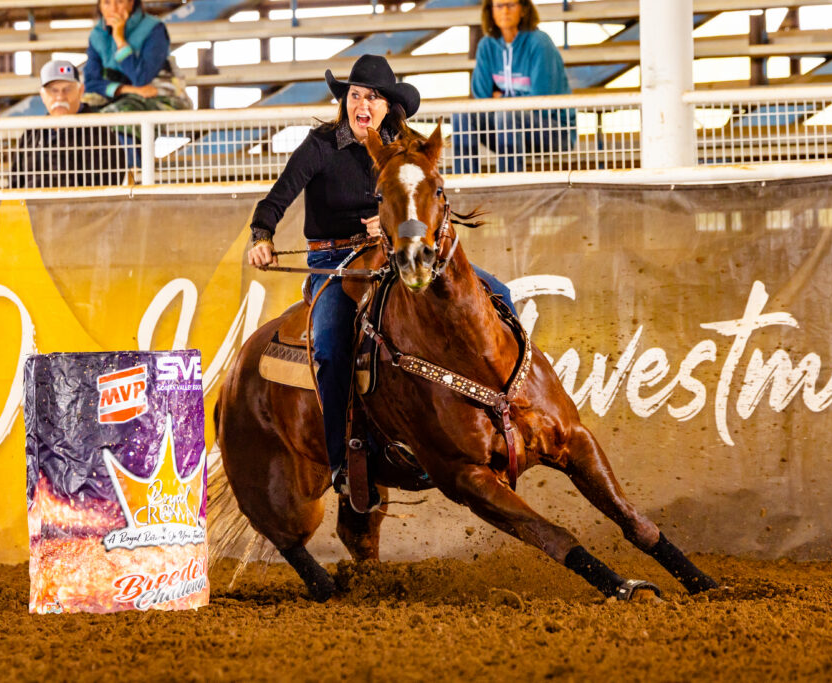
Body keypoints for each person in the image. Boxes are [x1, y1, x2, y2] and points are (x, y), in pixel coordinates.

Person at [247, 54, 518, 497]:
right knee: (332, 343)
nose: (363, 105)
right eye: (356, 95)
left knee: (498, 293)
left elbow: (421, 200)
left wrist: (387, 222)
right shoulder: (319, 146)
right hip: (332, 264)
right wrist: (262, 236)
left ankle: (504, 413)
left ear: (388, 106)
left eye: (373, 97)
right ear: (345, 101)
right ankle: (341, 460)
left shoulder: (404, 146)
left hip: (389, 255)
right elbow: (273, 203)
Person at [452, 0, 575, 173]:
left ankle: (508, 183)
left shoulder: (540, 43)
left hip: (554, 131)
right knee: (462, 115)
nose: (505, 11)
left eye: (511, 5)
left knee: (507, 114)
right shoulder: (486, 46)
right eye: (499, 6)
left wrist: (501, 99)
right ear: (491, 11)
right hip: (507, 127)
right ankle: (463, 184)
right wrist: (504, 103)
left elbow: (542, 104)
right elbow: (481, 99)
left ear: (524, 9)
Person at [10, 60, 129, 189]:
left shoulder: (99, 133)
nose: (60, 97)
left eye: (67, 89)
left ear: (80, 91)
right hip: (34, 208)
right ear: (42, 95)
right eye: (53, 90)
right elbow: (15, 184)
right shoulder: (31, 135)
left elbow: (109, 185)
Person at [83, 0, 192, 113]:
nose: (113, 9)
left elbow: (141, 78)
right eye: (106, 3)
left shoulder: (154, 29)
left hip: (159, 97)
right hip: (119, 97)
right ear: (100, 6)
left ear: (132, 3)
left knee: (121, 113)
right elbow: (91, 83)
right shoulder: (97, 35)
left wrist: (120, 40)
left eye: (120, 2)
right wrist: (128, 90)